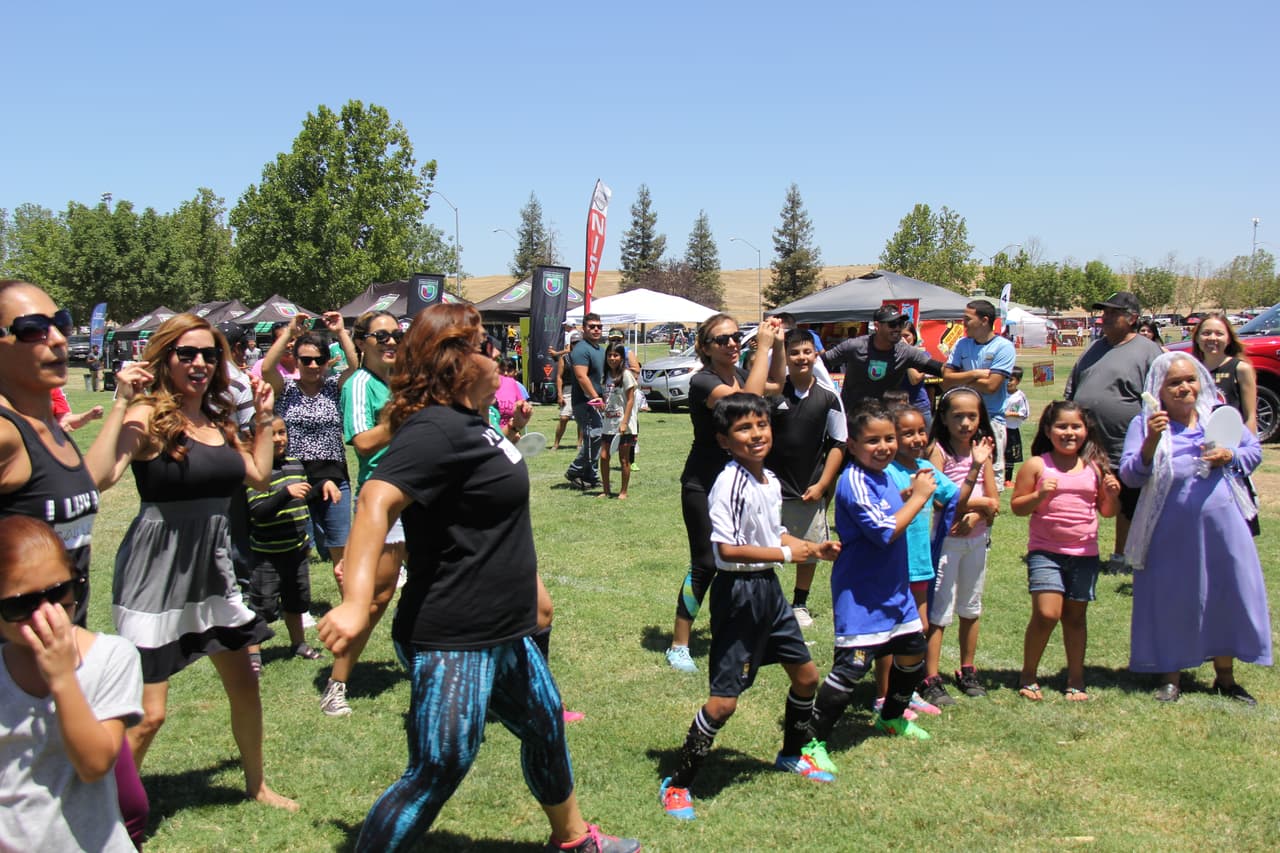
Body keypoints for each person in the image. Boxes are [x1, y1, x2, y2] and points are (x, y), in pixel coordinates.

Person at [317, 303, 639, 852]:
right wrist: (353, 602)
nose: (498, 356)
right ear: (457, 362)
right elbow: (374, 499)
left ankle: (574, 840)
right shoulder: (435, 429)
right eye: (486, 347)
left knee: (544, 726)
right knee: (439, 767)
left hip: (502, 628)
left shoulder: (469, 423)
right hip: (453, 636)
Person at [103, 313, 297, 810]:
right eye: (186, 354)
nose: (199, 363)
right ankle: (100, 802)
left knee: (245, 685)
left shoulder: (219, 419)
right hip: (156, 570)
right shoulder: (147, 416)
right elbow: (103, 475)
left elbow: (256, 475)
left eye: (209, 355)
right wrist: (122, 402)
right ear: (164, 358)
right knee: (149, 715)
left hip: (215, 568)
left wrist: (262, 417)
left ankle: (257, 785)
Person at [0, 280, 152, 846]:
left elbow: (91, 481)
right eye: (32, 330)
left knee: (123, 805)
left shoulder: (49, 432)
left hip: (71, 658)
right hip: (22, 677)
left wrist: (125, 410)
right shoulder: (7, 432)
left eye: (59, 322)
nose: (58, 338)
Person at [659, 393, 841, 821]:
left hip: (768, 594)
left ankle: (791, 754)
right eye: (744, 428)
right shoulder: (730, 482)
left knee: (807, 676)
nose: (756, 434)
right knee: (724, 703)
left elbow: (772, 531)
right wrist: (785, 557)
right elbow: (724, 549)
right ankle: (678, 782)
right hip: (738, 595)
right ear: (724, 440)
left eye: (761, 425)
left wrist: (812, 546)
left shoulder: (768, 480)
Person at [1120, 353, 1271, 704]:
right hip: (1168, 531)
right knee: (1173, 599)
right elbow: (1130, 475)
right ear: (1158, 389)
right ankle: (1171, 677)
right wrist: (1150, 443)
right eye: (1174, 383)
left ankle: (1226, 678)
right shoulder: (1146, 424)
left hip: (1224, 528)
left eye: (1190, 379)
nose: (1184, 387)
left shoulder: (1218, 417)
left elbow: (1253, 452)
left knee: (1225, 595)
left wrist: (1229, 456)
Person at [802, 401, 939, 773]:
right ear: (852, 445)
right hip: (862, 595)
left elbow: (887, 510)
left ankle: (891, 717)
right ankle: (812, 742)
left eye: (889, 439)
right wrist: (923, 497)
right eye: (872, 441)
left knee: (912, 651)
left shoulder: (881, 476)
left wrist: (908, 496)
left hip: (894, 591)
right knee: (850, 671)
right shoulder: (853, 480)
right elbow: (882, 532)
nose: (884, 447)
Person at [0, 516, 143, 853]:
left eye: (60, 593)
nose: (45, 616)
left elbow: (94, 765)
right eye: (22, 605)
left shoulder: (111, 657)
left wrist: (63, 678)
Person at [664, 315, 785, 673]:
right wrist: (761, 347)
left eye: (736, 337)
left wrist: (776, 346)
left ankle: (748, 635)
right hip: (704, 484)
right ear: (704, 347)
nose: (732, 343)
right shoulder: (703, 381)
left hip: (740, 485)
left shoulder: (742, 375)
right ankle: (679, 645)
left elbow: (776, 382)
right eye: (722, 340)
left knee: (747, 563)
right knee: (705, 563)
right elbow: (748, 404)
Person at [879, 403, 985, 719]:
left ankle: (906, 690)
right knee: (891, 631)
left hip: (921, 562)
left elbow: (955, 500)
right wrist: (911, 494)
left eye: (920, 432)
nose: (915, 439)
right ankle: (883, 696)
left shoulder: (926, 467)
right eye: (905, 433)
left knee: (919, 627)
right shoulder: (885, 471)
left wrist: (976, 468)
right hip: (892, 563)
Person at [1010, 402, 1120, 701]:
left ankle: (1075, 679)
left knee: (1075, 619)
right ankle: (1029, 674)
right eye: (1062, 426)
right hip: (1046, 551)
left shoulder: (1094, 468)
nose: (1069, 432)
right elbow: (1018, 507)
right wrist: (1040, 494)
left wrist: (1111, 495)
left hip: (1084, 554)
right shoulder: (1037, 465)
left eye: (1076, 427)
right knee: (1047, 614)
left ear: (1086, 432)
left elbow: (1107, 512)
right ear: (1048, 430)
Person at [332, 310, 406, 717]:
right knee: (375, 598)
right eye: (381, 336)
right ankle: (336, 683)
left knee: (440, 583)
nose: (391, 341)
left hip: (422, 495)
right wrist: (405, 415)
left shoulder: (401, 380)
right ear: (361, 342)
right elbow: (361, 442)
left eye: (396, 334)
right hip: (384, 500)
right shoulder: (360, 384)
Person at [1065, 291, 1164, 573]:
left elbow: (1156, 397)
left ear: (1131, 318)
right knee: (1081, 494)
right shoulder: (1095, 347)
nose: (1104, 317)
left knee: (1127, 500)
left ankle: (1122, 555)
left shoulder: (1148, 351)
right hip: (1087, 443)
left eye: (1112, 313)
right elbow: (1074, 384)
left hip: (1126, 442)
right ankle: (1077, 550)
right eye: (1103, 312)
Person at [918, 387, 1000, 707]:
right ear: (944, 418)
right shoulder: (939, 451)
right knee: (939, 611)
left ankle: (967, 668)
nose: (966, 423)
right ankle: (930, 674)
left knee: (971, 607)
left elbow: (995, 502)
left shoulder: (983, 450)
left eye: (972, 416)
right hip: (946, 543)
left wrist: (975, 512)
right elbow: (942, 501)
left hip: (977, 542)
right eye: (958, 416)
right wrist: (975, 507)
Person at [260, 313, 358, 570]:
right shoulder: (286, 389)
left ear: (327, 361)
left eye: (319, 360)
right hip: (294, 476)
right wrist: (291, 332)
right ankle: (298, 604)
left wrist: (341, 333)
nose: (313, 365)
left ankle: (347, 603)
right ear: (296, 360)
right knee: (297, 547)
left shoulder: (333, 387)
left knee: (340, 544)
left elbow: (354, 366)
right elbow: (267, 368)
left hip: (334, 475)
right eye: (306, 360)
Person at [766, 328, 846, 629]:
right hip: (772, 489)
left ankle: (799, 602)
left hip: (807, 490)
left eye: (807, 352)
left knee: (809, 550)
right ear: (786, 357)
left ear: (816, 355)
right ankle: (767, 602)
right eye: (795, 352)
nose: (801, 358)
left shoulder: (829, 398)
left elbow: (839, 443)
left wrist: (823, 484)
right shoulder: (774, 393)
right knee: (766, 548)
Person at [244, 416, 323, 672]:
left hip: (296, 549)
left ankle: (298, 643)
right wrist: (285, 493)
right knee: (262, 604)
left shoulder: (294, 464)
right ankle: (253, 654)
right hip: (267, 554)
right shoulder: (257, 472)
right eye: (272, 434)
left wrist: (324, 486)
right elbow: (258, 510)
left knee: (297, 600)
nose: (279, 439)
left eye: (282, 432)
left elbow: (304, 494)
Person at [942, 299, 1017, 490]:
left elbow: (992, 385)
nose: (963, 323)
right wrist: (974, 374)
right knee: (957, 474)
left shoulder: (1003, 347)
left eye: (967, 319)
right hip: (960, 419)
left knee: (990, 478)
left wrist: (959, 378)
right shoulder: (961, 344)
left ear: (984, 320)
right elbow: (946, 381)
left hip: (991, 419)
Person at [821, 305, 944, 411]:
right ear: (877, 326)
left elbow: (940, 369)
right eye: (892, 324)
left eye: (900, 324)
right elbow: (819, 363)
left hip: (885, 418)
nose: (897, 328)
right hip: (852, 417)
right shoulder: (854, 346)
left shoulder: (905, 352)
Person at [1192, 313, 1257, 433]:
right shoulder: (1191, 369)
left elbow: (1250, 417)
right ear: (1196, 338)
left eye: (1219, 334)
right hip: (1198, 442)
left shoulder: (1241, 369)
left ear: (1229, 339)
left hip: (1231, 442)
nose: (1212, 338)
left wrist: (1249, 448)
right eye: (1206, 333)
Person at [564, 313, 606, 490]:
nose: (596, 329)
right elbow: (581, 376)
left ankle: (590, 476)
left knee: (596, 437)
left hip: (599, 401)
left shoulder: (600, 350)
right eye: (592, 326)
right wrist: (594, 396)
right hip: (585, 402)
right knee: (594, 435)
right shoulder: (581, 349)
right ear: (583, 328)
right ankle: (575, 471)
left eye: (599, 326)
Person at [599, 342, 638, 499]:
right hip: (608, 423)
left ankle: (623, 491)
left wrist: (624, 422)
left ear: (621, 357)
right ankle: (606, 490)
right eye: (609, 355)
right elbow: (607, 397)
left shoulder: (626, 375)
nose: (612, 358)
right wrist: (601, 404)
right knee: (603, 457)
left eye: (616, 355)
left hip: (624, 425)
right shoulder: (605, 376)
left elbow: (630, 400)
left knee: (623, 459)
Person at [899, 321, 933, 428]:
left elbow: (914, 379)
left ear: (913, 336)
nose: (903, 339)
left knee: (926, 441)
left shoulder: (922, 355)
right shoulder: (893, 356)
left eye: (906, 336)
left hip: (919, 405)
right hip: (899, 406)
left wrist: (906, 352)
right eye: (900, 336)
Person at [1003, 366, 1030, 486]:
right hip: (999, 427)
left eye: (1011, 379)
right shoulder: (999, 392)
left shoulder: (1020, 396)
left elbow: (1024, 413)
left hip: (1012, 429)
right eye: (1006, 378)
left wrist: (1010, 414)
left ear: (1018, 381)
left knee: (1010, 455)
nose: (1008, 382)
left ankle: (1007, 480)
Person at [553, 338, 579, 451]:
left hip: (581, 388)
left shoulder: (585, 357)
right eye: (574, 343)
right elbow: (559, 377)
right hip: (568, 389)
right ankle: (556, 443)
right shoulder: (565, 358)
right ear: (570, 345)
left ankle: (579, 443)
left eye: (578, 343)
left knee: (581, 419)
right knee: (564, 417)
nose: (576, 345)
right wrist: (559, 394)